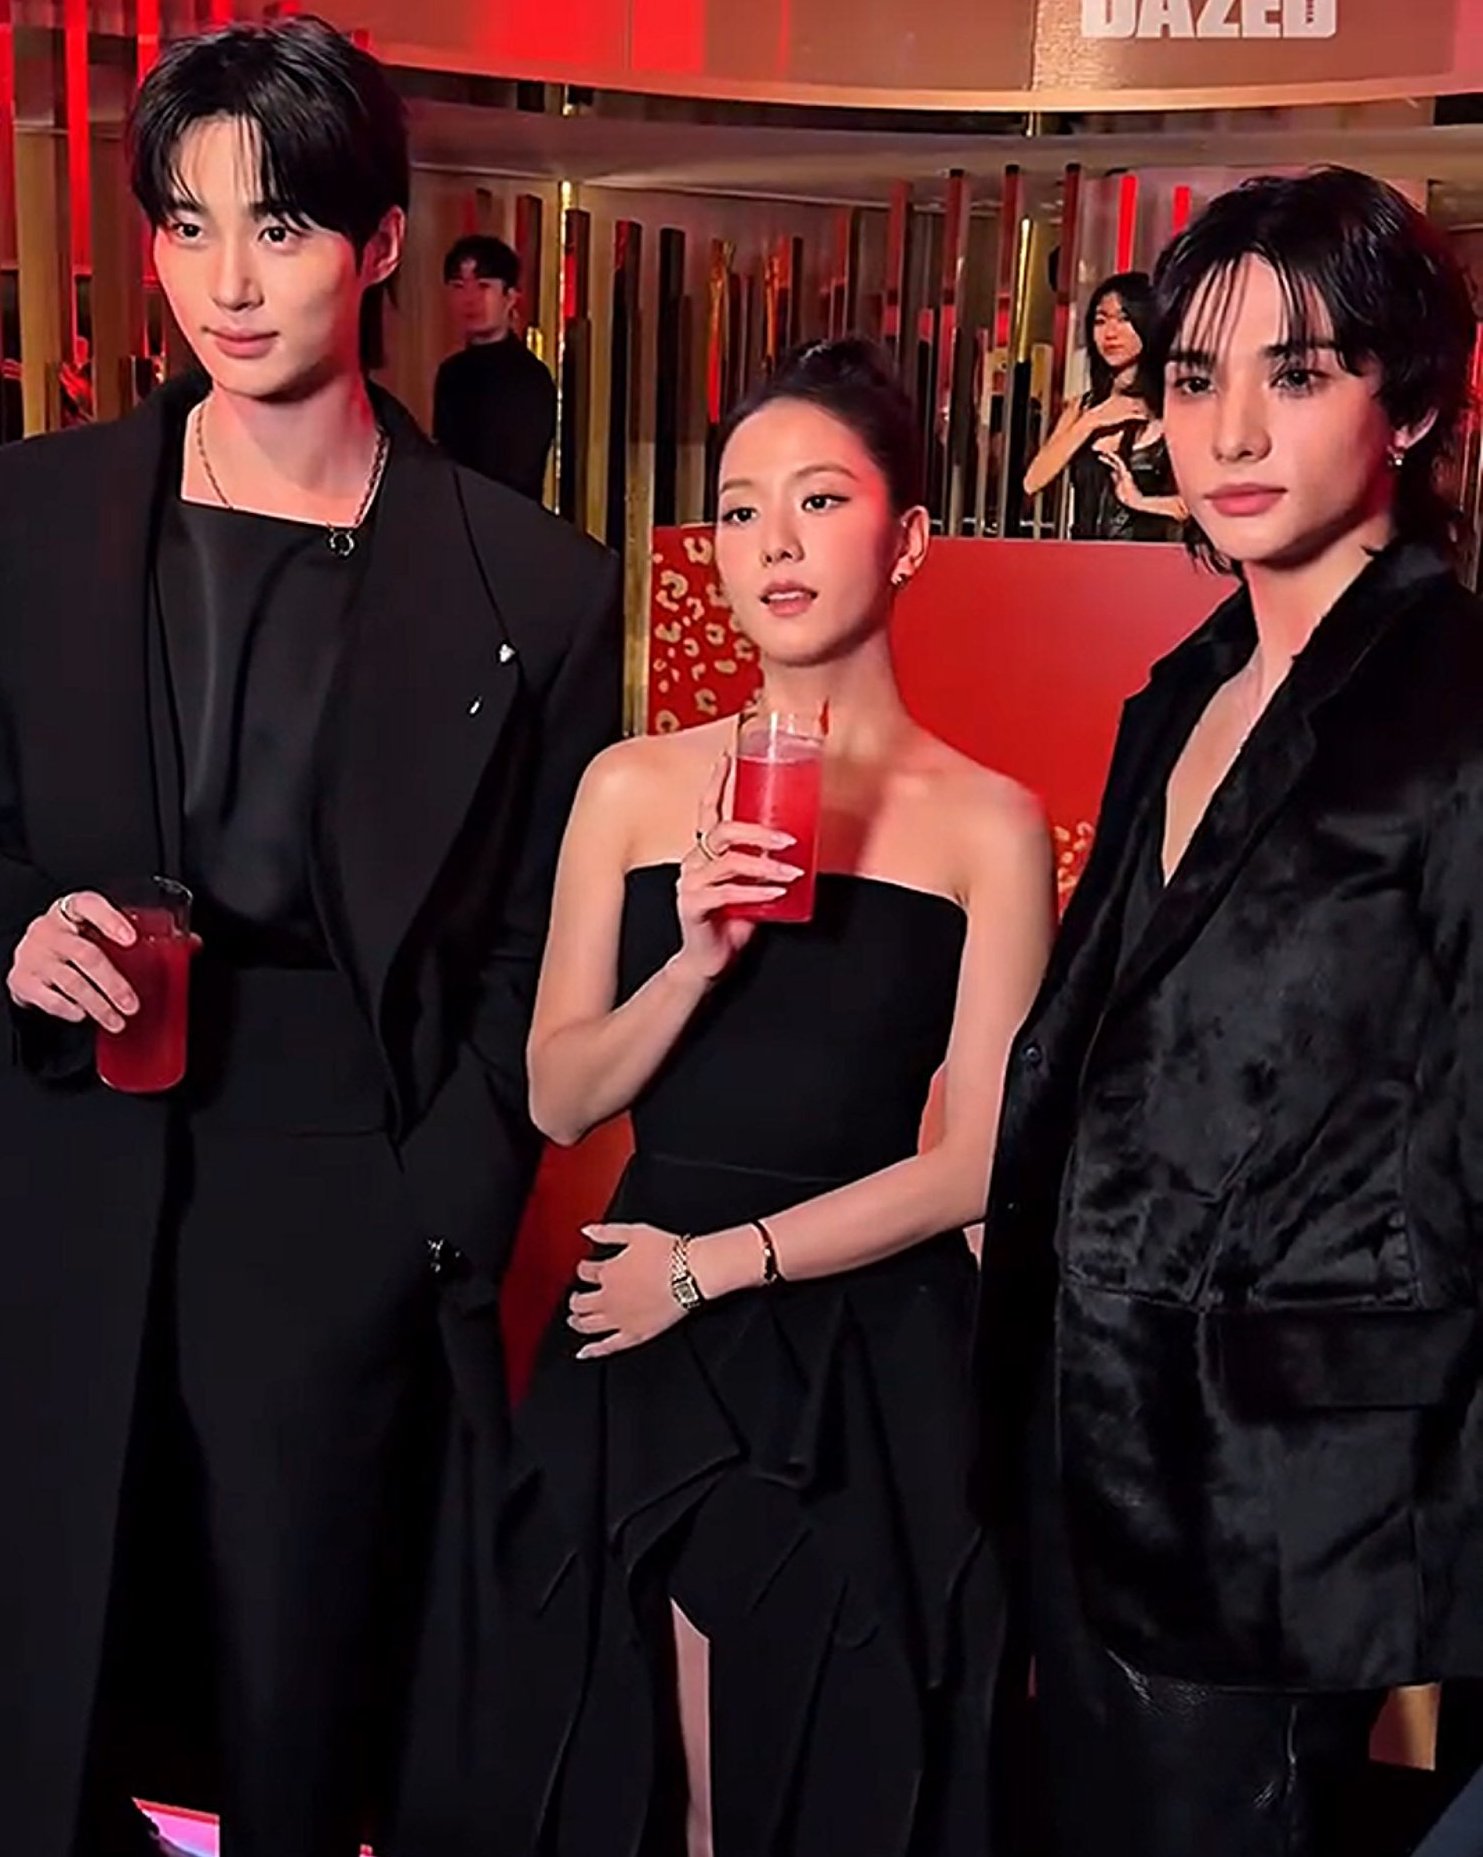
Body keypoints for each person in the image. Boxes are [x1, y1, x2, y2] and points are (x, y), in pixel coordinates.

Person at [0, 18, 621, 1857]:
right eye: (187, 227)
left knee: (297, 1703)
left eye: (275, 226)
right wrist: (12, 928)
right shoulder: (32, 513)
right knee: (44, 1669)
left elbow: (534, 943)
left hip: (342, 1185)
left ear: (376, 244)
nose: (228, 281)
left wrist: (433, 1204)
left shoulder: (532, 583)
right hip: (62, 1142)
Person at [485, 337, 1055, 1855]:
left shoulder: (988, 823)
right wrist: (691, 961)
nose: (774, 545)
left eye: (819, 500)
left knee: (831, 1780)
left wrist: (709, 1269)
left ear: (908, 538)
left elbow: (975, 1164)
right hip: (639, 1327)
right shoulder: (629, 785)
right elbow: (556, 1098)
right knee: (639, 1772)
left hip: (861, 1336)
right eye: (740, 511)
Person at [976, 166, 1483, 1857]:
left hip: (1286, 1496)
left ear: (1408, 405)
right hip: (1083, 1436)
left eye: (1298, 372)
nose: (1232, 430)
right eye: (1195, 379)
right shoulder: (1180, 690)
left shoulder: (1453, 707)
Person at [1022, 269, 1187, 541]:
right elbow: (1033, 481)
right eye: (1100, 321)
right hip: (1083, 557)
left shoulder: (1171, 407)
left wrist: (1140, 501)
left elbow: (1196, 508)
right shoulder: (1083, 408)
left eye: (1124, 319)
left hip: (1146, 558)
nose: (1110, 333)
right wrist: (1092, 421)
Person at [433, 233, 557, 502]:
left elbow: (518, 472)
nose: (470, 299)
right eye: (458, 286)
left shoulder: (529, 376)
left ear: (510, 296)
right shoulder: (451, 373)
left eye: (483, 286)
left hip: (507, 516)